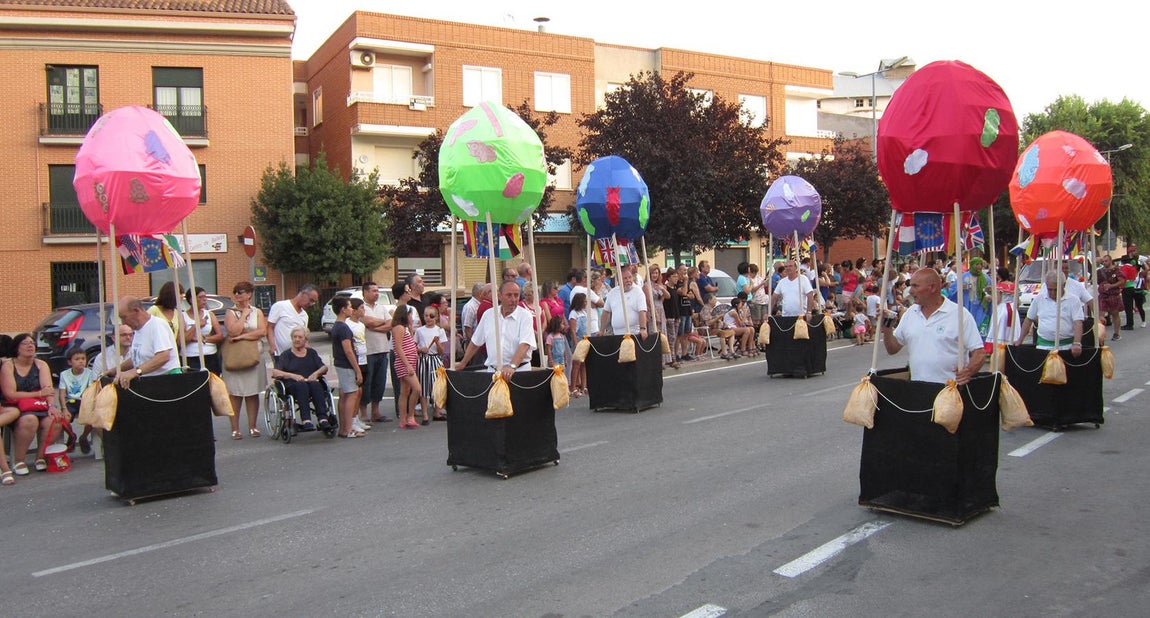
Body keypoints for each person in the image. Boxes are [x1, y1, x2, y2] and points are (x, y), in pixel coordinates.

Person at [882, 268, 986, 384]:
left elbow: (979, 353)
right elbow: (892, 349)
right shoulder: (910, 313)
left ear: (932, 287)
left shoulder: (960, 315)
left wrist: (968, 371)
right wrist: (887, 328)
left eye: (915, 286)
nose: (910, 291)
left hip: (950, 391)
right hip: (918, 391)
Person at [2, 333, 65, 477]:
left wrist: (52, 406)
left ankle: (41, 457)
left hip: (39, 405)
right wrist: (37, 394)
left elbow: (48, 390)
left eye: (32, 343)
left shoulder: (41, 364)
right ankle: (19, 460)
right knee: (29, 420)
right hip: (17, 407)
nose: (30, 346)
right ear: (17, 348)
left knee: (54, 419)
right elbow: (10, 394)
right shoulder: (9, 366)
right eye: (25, 343)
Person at [456, 281, 537, 379]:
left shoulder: (525, 316)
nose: (513, 299)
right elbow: (475, 341)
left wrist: (512, 366)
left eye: (516, 295)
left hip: (519, 373)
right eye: (509, 295)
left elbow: (525, 344)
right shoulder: (488, 315)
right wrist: (463, 363)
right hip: (493, 373)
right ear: (499, 296)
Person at [222, 282, 267, 440]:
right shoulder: (231, 312)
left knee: (252, 392)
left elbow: (262, 331)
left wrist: (242, 336)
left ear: (249, 294)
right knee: (234, 393)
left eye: (240, 292)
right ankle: (235, 429)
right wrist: (243, 315)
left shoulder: (258, 312)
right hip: (235, 357)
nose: (237, 295)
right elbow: (232, 330)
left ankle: (252, 426)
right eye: (235, 292)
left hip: (253, 355)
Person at [270, 327, 331, 430]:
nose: (297, 339)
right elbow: (275, 372)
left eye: (300, 337)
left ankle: (323, 419)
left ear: (306, 340)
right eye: (294, 337)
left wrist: (316, 374)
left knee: (316, 385)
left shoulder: (311, 353)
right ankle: (306, 420)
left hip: (311, 383)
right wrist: (292, 376)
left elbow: (324, 367)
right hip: (292, 385)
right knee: (301, 386)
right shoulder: (286, 355)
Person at [1016, 271, 1084, 357]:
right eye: (1050, 289)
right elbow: (1028, 319)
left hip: (1066, 347)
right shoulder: (1039, 299)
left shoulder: (1073, 300)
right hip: (1043, 347)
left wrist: (1077, 343)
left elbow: (1078, 323)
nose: (1052, 293)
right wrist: (1020, 340)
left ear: (1063, 285)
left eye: (1056, 290)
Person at [330, 297, 364, 437]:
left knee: (345, 394)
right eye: (349, 307)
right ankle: (348, 428)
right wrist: (357, 370)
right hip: (346, 364)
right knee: (352, 394)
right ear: (343, 309)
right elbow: (348, 351)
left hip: (340, 363)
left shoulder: (337, 326)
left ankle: (344, 427)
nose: (351, 309)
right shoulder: (343, 328)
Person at [359, 281, 393, 424]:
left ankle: (376, 411)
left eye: (377, 291)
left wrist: (376, 325)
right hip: (368, 351)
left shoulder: (382, 307)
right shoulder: (361, 307)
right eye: (373, 291)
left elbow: (391, 323)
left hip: (382, 349)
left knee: (380, 382)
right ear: (365, 292)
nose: (376, 293)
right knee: (367, 382)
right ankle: (364, 413)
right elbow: (367, 321)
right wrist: (381, 322)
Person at [266, 284, 318, 359]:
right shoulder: (280, 306)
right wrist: (272, 346)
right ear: (303, 294)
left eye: (313, 302)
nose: (311, 304)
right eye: (311, 300)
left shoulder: (304, 315)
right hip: (280, 354)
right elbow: (270, 327)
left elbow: (303, 336)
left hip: (297, 355)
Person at [56, 347, 93, 452]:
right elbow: (62, 393)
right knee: (64, 418)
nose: (81, 361)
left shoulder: (89, 373)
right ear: (69, 362)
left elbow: (90, 390)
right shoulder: (64, 374)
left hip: (84, 401)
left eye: (83, 358)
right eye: (77, 359)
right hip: (70, 401)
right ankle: (72, 435)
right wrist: (64, 408)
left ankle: (84, 437)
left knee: (91, 419)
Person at [390, 304, 421, 429]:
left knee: (405, 391)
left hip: (410, 360)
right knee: (417, 388)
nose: (411, 318)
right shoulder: (399, 328)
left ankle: (403, 418)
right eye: (410, 315)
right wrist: (407, 364)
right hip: (405, 362)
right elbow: (398, 347)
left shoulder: (406, 328)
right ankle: (410, 415)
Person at [416, 305, 447, 423]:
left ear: (437, 317)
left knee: (437, 386)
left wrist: (437, 342)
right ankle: (424, 414)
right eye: (426, 315)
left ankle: (437, 411)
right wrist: (420, 349)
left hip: (435, 359)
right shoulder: (419, 331)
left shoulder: (440, 331)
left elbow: (441, 350)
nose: (428, 318)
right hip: (424, 360)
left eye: (431, 316)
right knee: (423, 387)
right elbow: (415, 346)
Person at [183, 286, 223, 374]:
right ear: (191, 299)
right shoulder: (183, 316)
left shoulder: (209, 314)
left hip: (210, 354)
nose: (204, 300)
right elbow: (182, 339)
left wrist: (203, 339)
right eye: (200, 297)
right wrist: (196, 325)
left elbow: (220, 336)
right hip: (191, 356)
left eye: (205, 297)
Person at [347, 298, 371, 433]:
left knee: (360, 391)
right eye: (361, 308)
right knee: (354, 392)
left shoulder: (361, 325)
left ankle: (356, 418)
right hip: (355, 361)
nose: (363, 310)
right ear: (354, 310)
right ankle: (351, 420)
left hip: (363, 359)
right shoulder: (348, 325)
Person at [601, 268, 649, 336]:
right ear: (619, 280)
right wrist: (602, 330)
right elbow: (606, 312)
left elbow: (642, 311)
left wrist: (643, 329)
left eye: (630, 277)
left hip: (634, 333)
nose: (628, 280)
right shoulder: (612, 293)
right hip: (616, 334)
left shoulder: (638, 292)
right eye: (625, 278)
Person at [148, 281, 185, 349]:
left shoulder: (178, 313)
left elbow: (180, 337)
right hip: (156, 349)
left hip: (172, 350)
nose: (182, 296)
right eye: (180, 293)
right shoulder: (154, 310)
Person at [1096, 255, 1125, 340]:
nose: (1104, 263)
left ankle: (1116, 333)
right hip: (1102, 296)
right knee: (1101, 316)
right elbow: (1095, 281)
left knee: (1115, 314)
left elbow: (1122, 281)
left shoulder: (1116, 270)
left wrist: (1112, 286)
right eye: (1103, 261)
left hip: (1113, 295)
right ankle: (1100, 336)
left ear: (1111, 260)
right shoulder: (1100, 271)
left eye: (1106, 261)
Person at [568, 292, 589, 394]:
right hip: (578, 340)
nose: (585, 303)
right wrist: (576, 343)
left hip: (585, 340)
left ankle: (583, 386)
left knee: (584, 364)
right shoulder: (574, 313)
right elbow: (573, 330)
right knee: (576, 364)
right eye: (584, 301)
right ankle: (573, 387)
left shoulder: (584, 312)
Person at [661, 268, 681, 369]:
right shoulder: (666, 288)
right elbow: (661, 302)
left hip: (676, 316)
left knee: (674, 337)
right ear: (669, 278)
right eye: (674, 276)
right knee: (671, 338)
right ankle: (672, 359)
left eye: (677, 276)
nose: (676, 278)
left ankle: (672, 357)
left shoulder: (675, 289)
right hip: (669, 316)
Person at [1119, 244, 1141, 331]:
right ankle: (1130, 323)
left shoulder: (1124, 268)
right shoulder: (1132, 267)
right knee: (1130, 305)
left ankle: (1129, 324)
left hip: (1126, 288)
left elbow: (1123, 278)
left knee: (1128, 307)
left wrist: (1121, 287)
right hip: (1132, 286)